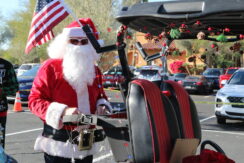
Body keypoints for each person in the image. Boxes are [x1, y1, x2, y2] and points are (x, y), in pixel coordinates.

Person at [28, 18, 112, 163]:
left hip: (86, 133)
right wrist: (63, 111)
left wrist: (101, 104)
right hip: (59, 138)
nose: (79, 45)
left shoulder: (94, 69)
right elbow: (34, 100)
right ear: (65, 42)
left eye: (84, 42)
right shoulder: (50, 67)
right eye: (74, 41)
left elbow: (100, 95)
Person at [0, 58, 19, 148]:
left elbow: (14, 87)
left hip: (1, 109)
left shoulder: (6, 65)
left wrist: (1, 91)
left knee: (0, 143)